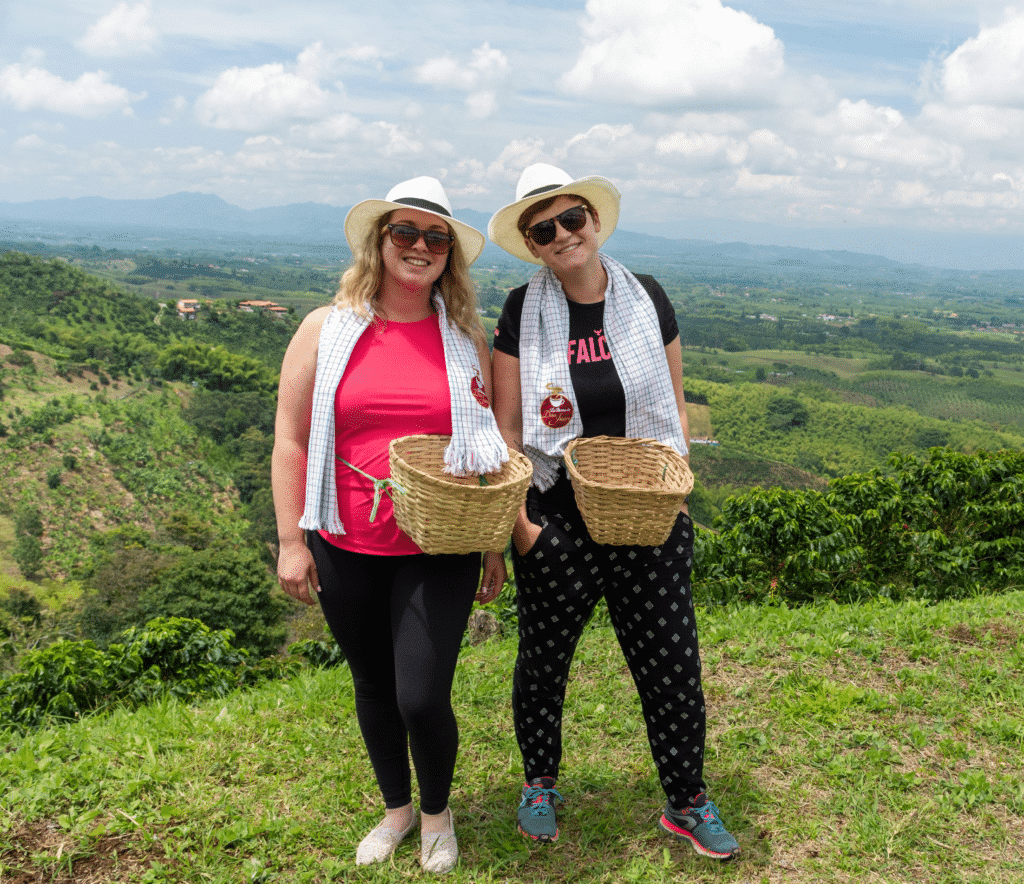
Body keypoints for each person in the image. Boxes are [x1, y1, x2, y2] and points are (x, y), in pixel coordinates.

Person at [488, 163, 740, 860]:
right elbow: (509, 431)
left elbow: (674, 406)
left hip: (645, 513)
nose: (563, 234)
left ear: (594, 223)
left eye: (573, 219)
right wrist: (522, 529)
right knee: (544, 660)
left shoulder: (646, 297)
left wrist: (677, 493)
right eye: (546, 228)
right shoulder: (521, 310)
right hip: (557, 515)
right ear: (534, 244)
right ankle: (539, 782)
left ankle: (686, 799)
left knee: (670, 657)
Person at [273, 176, 508, 875]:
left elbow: (490, 443)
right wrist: (291, 540)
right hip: (345, 535)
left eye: (436, 238)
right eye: (404, 232)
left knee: (421, 692)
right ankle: (396, 811)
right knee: (373, 685)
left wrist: (495, 541)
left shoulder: (466, 335)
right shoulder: (327, 326)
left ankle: (437, 813)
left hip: (441, 538)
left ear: (449, 257)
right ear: (379, 241)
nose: (420, 246)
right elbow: (290, 437)